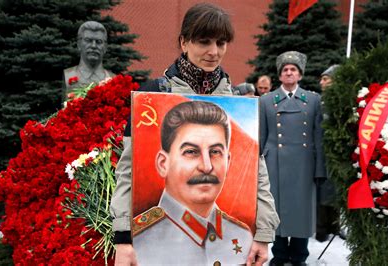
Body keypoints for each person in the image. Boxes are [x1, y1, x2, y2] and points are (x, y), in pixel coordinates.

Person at [110, 3, 279, 266]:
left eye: (221, 43)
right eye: (204, 42)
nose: (214, 52)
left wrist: (263, 234)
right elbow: (127, 173)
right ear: (184, 42)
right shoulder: (152, 94)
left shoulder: (236, 101)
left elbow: (259, 174)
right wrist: (122, 239)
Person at [133, 101, 253, 264]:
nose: (206, 166)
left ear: (228, 162)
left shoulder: (242, 235)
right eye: (191, 152)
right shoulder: (137, 241)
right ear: (163, 164)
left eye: (215, 152)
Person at [259, 51, 326, 266]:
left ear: (300, 75)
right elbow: (261, 135)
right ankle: (279, 254)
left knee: (302, 211)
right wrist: (255, 167)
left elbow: (318, 136)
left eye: (293, 70)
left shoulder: (314, 100)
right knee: (274, 209)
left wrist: (319, 169)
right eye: (285, 70)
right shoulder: (266, 101)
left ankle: (299, 256)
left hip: (304, 165)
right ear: (279, 76)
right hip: (273, 164)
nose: (289, 72)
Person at [316, 64, 341, 242]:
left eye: (326, 79)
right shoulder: (318, 102)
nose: (322, 82)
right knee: (322, 192)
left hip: (337, 155)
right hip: (320, 153)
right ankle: (321, 228)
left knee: (336, 190)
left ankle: (335, 225)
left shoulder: (341, 101)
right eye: (322, 79)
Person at [63, 21, 114, 95]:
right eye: (88, 40)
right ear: (79, 44)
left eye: (98, 42)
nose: (93, 46)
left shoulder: (113, 80)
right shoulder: (68, 75)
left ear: (105, 47)